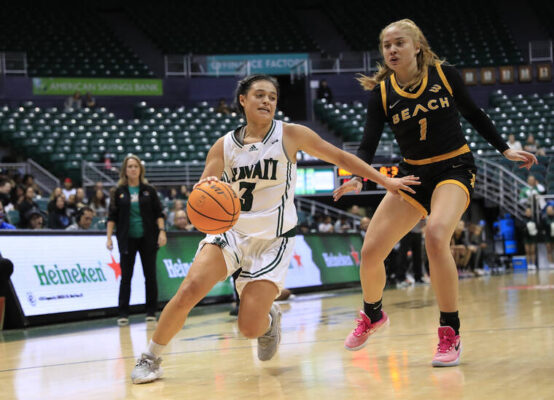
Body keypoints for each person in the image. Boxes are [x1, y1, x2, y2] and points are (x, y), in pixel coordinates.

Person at [130, 74, 419, 384]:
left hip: (273, 240)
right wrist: (203, 202)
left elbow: (339, 156)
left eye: (272, 96)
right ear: (243, 100)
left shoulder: (291, 135)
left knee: (248, 329)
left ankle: (269, 320)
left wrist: (384, 180)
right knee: (189, 289)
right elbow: (204, 188)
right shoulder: (224, 145)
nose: (267, 100)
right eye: (259, 95)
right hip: (231, 233)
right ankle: (151, 357)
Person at [332, 19, 537, 367]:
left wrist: (505, 150)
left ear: (417, 47)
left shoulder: (444, 75)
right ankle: (373, 314)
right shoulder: (382, 93)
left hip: (454, 168)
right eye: (386, 45)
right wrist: (358, 177)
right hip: (412, 174)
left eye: (399, 43)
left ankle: (449, 331)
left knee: (437, 234)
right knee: (370, 251)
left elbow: (474, 113)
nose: (392, 50)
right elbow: (367, 144)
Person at [107, 155, 166, 326]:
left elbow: (158, 213)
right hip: (126, 239)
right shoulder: (118, 192)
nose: (133, 169)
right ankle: (123, 313)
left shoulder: (149, 190)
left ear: (140, 169)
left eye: (135, 166)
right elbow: (112, 216)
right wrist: (109, 237)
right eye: (130, 166)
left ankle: (151, 311)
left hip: (148, 237)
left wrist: (162, 232)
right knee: (126, 276)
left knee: (150, 275)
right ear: (125, 170)